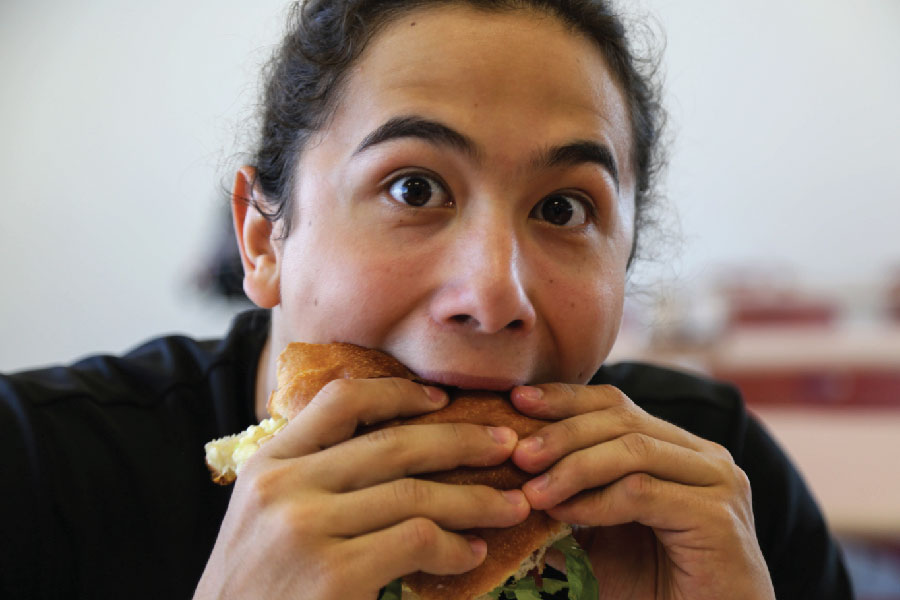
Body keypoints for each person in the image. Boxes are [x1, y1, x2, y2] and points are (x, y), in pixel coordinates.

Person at [0, 1, 852, 599]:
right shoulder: (39, 474)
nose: (491, 296)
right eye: (413, 188)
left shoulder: (721, 491)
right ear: (263, 241)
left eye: (563, 209)